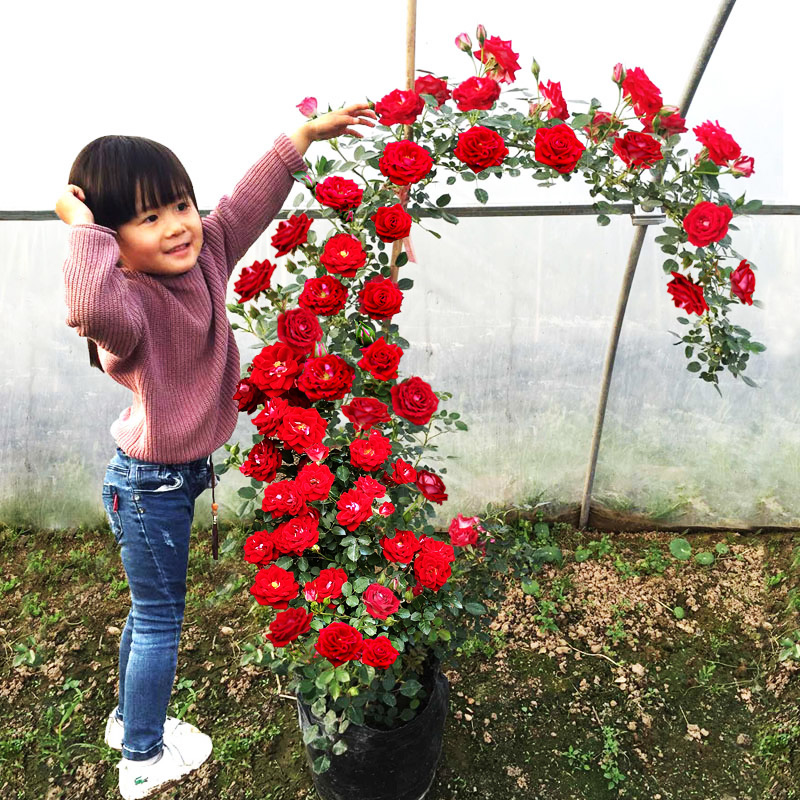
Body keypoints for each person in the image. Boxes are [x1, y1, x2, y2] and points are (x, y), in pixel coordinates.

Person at [55, 104, 376, 800]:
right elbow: (86, 305)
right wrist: (81, 230)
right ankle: (142, 757)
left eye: (180, 204)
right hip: (148, 486)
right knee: (161, 619)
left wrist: (302, 139)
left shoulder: (206, 259)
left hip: (171, 478)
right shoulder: (128, 308)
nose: (177, 226)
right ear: (114, 239)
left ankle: (124, 721)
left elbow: (246, 202)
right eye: (148, 218)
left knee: (149, 611)